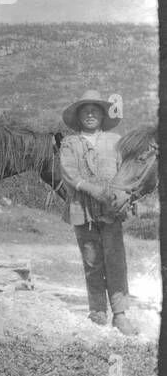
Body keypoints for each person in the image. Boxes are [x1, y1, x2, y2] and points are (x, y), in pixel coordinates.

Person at [57, 89, 136, 336]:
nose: (90, 114)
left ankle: (120, 314)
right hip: (82, 210)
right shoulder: (70, 143)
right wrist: (94, 190)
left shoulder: (115, 141)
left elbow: (127, 171)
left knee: (115, 260)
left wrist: (124, 197)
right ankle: (98, 312)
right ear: (79, 116)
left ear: (102, 115)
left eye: (95, 110)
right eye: (85, 110)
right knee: (92, 261)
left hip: (111, 210)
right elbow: (70, 176)